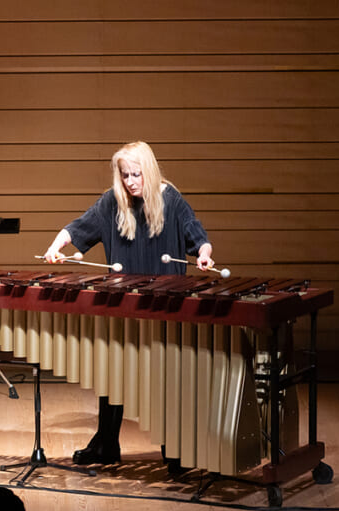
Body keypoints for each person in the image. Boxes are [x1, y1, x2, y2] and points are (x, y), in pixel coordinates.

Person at [42, 140, 216, 465]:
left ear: (148, 171)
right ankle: (106, 444)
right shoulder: (113, 202)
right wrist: (56, 246)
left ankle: (176, 450)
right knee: (114, 375)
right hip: (121, 305)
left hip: (166, 306)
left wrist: (204, 255)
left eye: (136, 174)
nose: (131, 182)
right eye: (125, 175)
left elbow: (197, 236)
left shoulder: (170, 199)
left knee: (166, 381)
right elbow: (78, 227)